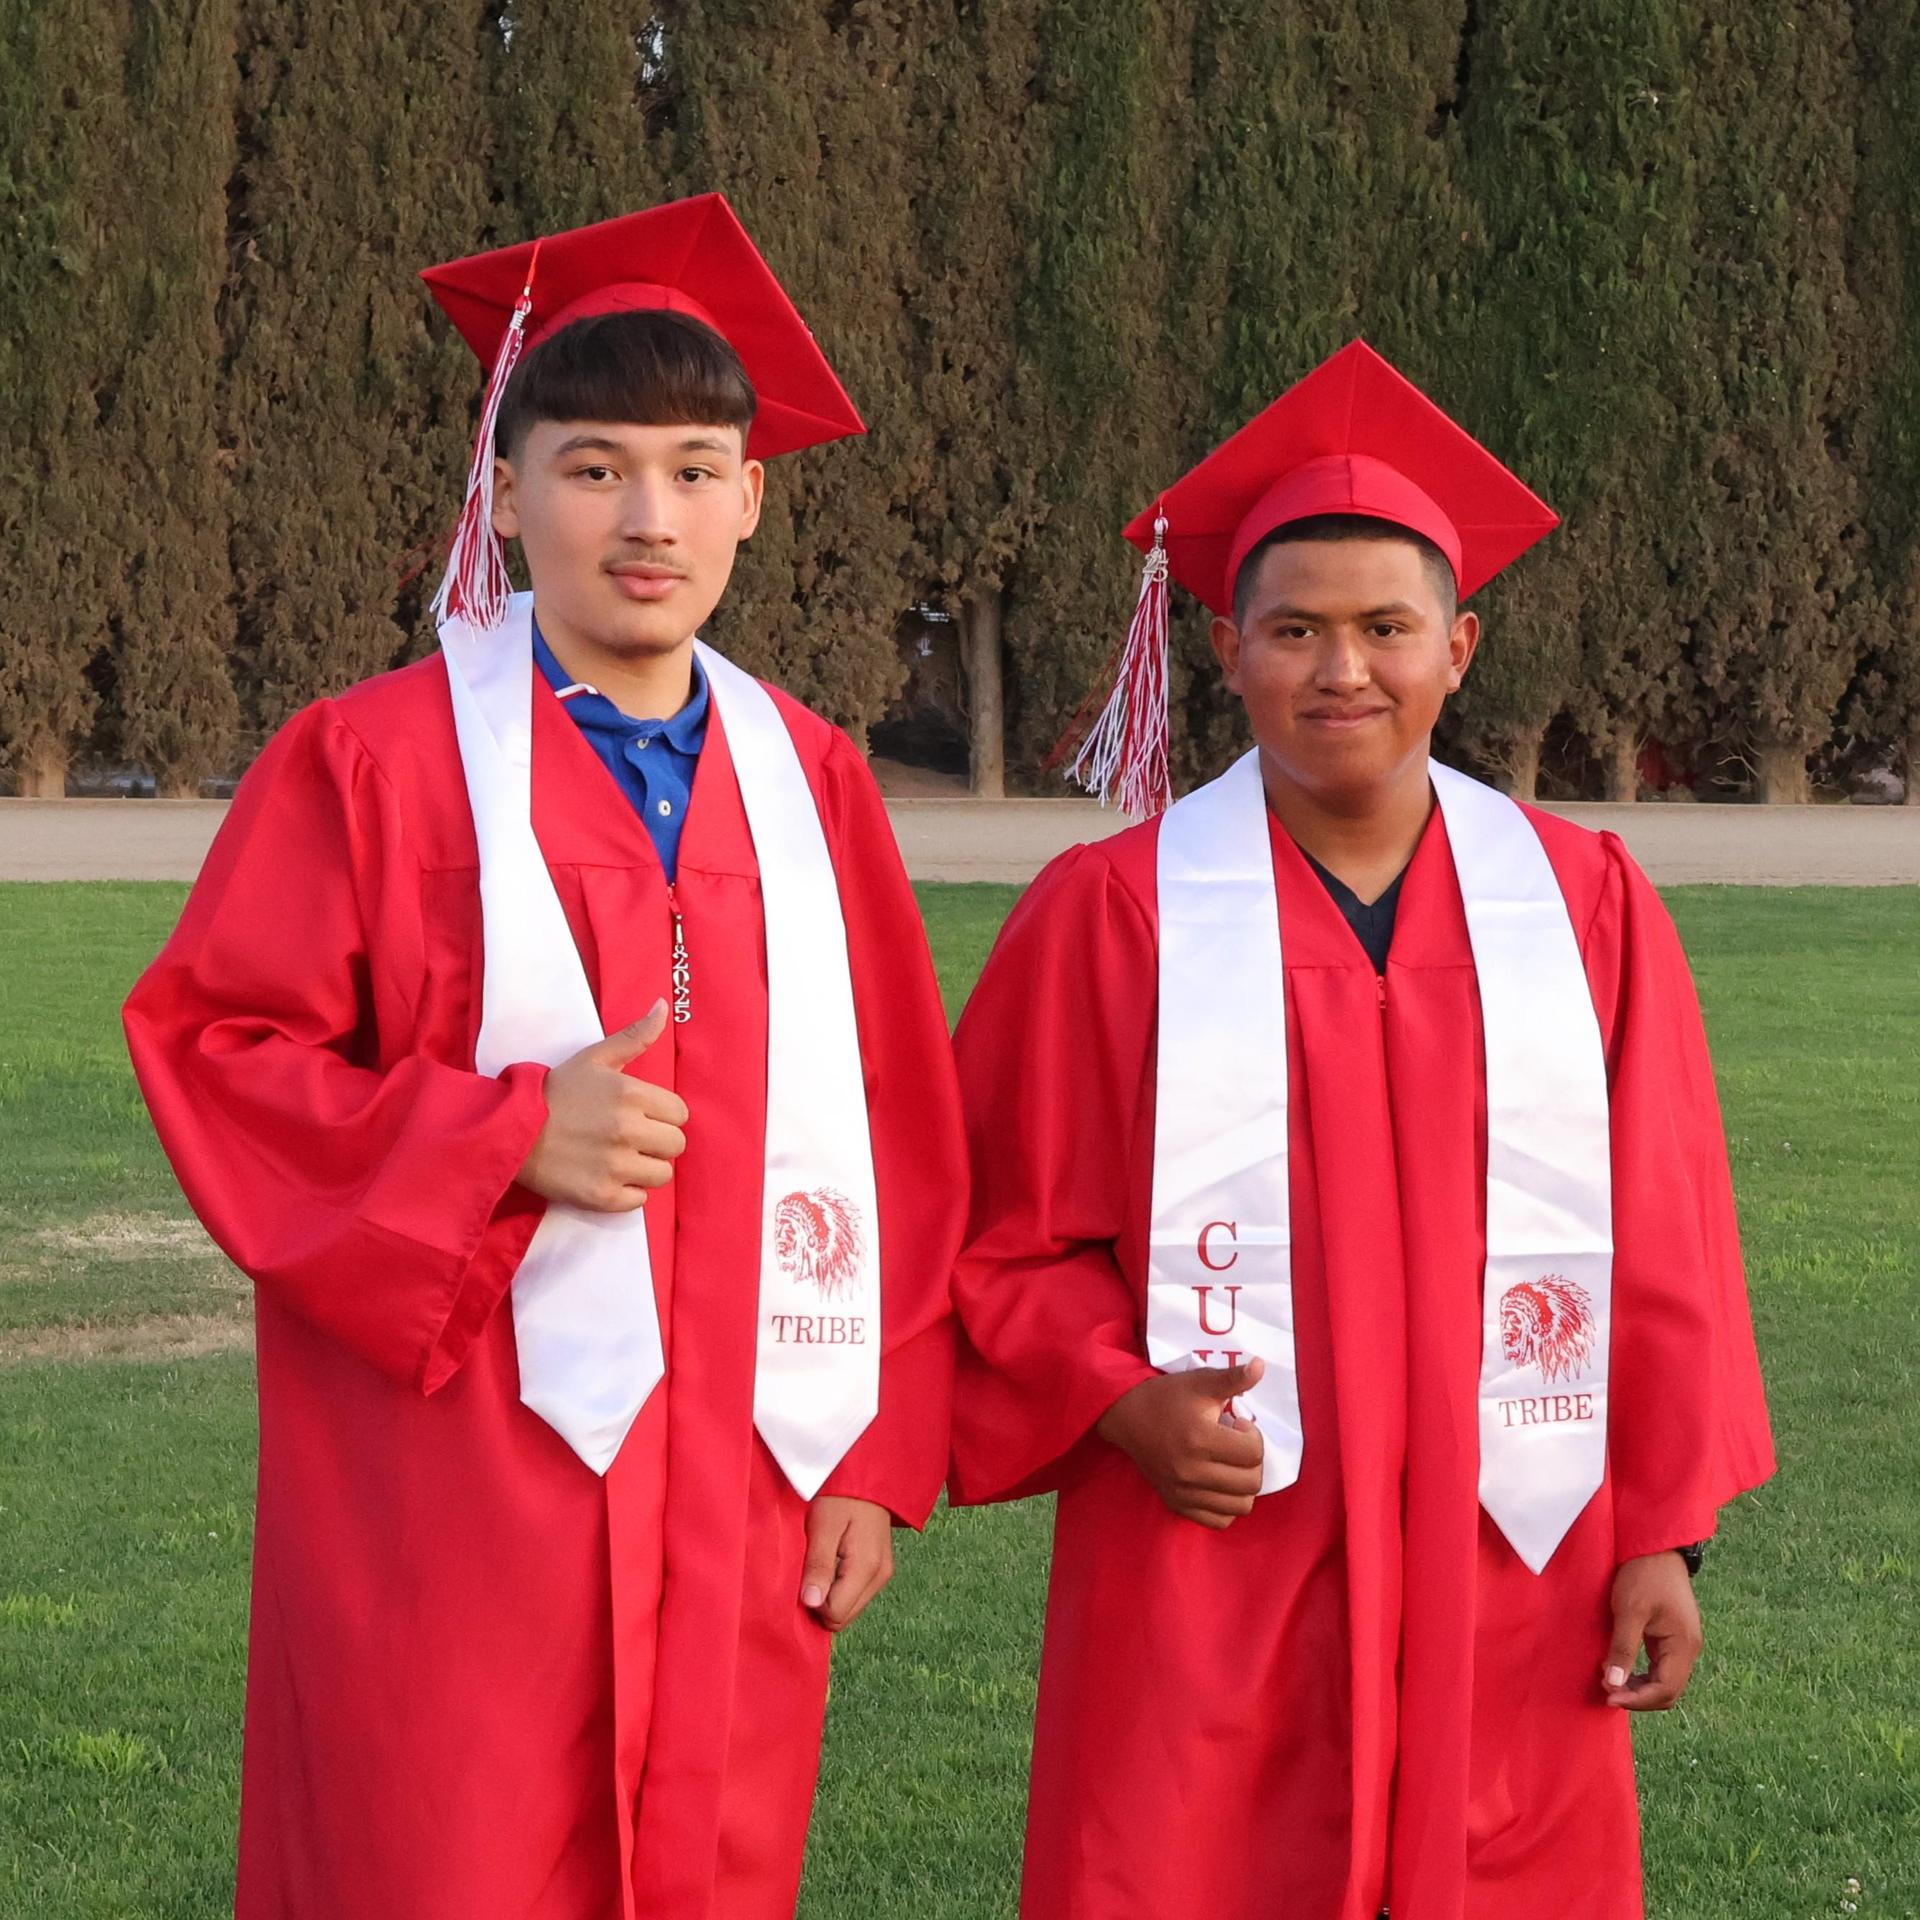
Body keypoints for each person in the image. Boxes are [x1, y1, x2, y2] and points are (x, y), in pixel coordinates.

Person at [123, 193, 964, 1920]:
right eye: (591, 468)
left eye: (692, 465)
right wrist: (497, 1134)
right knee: (441, 1851)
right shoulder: (369, 761)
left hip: (744, 1463)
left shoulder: (809, 781)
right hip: (449, 1479)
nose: (645, 517)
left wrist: (876, 1453)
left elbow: (900, 1127)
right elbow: (215, 1049)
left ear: (752, 495)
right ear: (504, 495)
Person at [947, 339, 1774, 1919]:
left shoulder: (1583, 906)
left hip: (1511, 1550)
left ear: (1458, 648)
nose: (1345, 672)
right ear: (1227, 649)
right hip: (1215, 1545)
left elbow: (1666, 1242)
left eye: (1388, 630)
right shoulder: (1111, 919)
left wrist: (1663, 1536)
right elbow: (992, 1237)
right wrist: (1120, 1401)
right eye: (1297, 632)